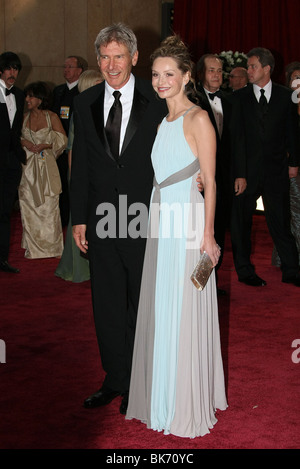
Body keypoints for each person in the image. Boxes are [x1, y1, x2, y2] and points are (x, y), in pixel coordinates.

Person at [126, 35, 227, 438]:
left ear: (187, 76)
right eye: (155, 74)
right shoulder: (161, 120)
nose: (161, 80)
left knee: (184, 307)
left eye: (169, 74)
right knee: (162, 304)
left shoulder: (198, 118)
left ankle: (184, 401)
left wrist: (208, 236)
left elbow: (212, 183)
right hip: (160, 220)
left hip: (187, 222)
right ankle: (162, 395)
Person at [70, 23, 167, 414]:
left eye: (119, 56)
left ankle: (141, 380)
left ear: (135, 58)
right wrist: (78, 218)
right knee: (106, 301)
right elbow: (81, 168)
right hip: (101, 220)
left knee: (141, 301)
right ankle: (115, 378)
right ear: (98, 60)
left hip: (146, 216)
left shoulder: (156, 97)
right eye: (105, 57)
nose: (112, 65)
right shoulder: (85, 101)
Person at [230, 47, 300, 286]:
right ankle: (245, 271)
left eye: (252, 66)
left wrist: (293, 164)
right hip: (246, 174)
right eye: (248, 67)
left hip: (276, 170)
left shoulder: (285, 96)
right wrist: (239, 173)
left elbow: (293, 133)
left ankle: (291, 269)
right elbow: (236, 139)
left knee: (280, 221)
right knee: (241, 224)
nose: (248, 71)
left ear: (267, 68)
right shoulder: (239, 98)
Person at [55, 70, 103, 282]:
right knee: (81, 218)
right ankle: (78, 267)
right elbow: (72, 149)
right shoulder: (80, 111)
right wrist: (76, 181)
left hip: (102, 175)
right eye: (98, 84)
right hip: (83, 174)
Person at [196, 54, 232, 294]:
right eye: (211, 70)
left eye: (219, 71)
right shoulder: (193, 101)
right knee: (199, 230)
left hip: (224, 177)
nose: (217, 75)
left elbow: (237, 141)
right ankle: (199, 281)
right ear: (201, 74)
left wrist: (239, 175)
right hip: (198, 179)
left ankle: (211, 282)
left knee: (217, 228)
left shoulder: (230, 101)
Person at [19, 81, 67, 259]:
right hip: (27, 170)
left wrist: (46, 145)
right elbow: (15, 138)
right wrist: (24, 142)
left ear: (40, 99)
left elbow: (63, 140)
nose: (27, 99)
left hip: (47, 168)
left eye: (31, 96)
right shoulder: (23, 117)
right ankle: (34, 248)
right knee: (29, 206)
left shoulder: (51, 116)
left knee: (49, 207)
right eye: (27, 96)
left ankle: (52, 248)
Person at [272, 61, 300, 266]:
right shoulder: (282, 104)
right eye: (294, 79)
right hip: (290, 166)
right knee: (291, 212)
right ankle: (290, 258)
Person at [52, 56, 86, 227]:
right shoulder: (58, 92)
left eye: (70, 67)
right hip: (58, 148)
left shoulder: (83, 92)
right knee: (60, 184)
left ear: (79, 71)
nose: (66, 70)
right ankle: (61, 218)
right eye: (64, 67)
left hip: (75, 147)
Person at [0, 51, 26, 273]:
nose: (13, 73)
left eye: (16, 69)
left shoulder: (19, 94)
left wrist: (19, 155)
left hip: (10, 163)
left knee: (5, 212)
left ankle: (2, 259)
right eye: (9, 68)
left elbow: (14, 130)